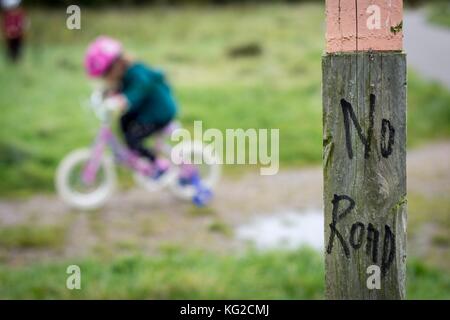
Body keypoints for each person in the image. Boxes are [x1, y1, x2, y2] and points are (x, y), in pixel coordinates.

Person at [84, 36, 178, 178]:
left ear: (115, 65)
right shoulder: (122, 75)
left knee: (134, 136)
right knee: (123, 122)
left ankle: (157, 163)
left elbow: (140, 88)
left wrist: (124, 99)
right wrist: (103, 96)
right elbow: (117, 90)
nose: (105, 78)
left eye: (106, 74)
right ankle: (135, 154)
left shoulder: (136, 71)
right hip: (145, 111)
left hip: (159, 113)